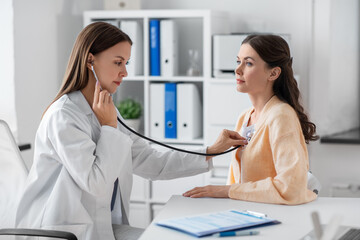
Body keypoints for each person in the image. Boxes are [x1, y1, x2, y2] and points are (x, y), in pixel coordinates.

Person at [15, 22, 247, 240]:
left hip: (99, 226)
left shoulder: (106, 111)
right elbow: (95, 183)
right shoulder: (64, 116)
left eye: (126, 63)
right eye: (118, 62)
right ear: (89, 60)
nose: (125, 72)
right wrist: (108, 127)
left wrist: (210, 151)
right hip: (63, 231)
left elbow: (150, 160)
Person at [183, 34, 319, 205]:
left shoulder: (281, 116)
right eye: (238, 61)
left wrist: (224, 191)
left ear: (274, 73)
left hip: (272, 218)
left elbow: (291, 187)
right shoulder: (245, 117)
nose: (237, 70)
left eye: (248, 63)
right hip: (246, 214)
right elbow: (237, 180)